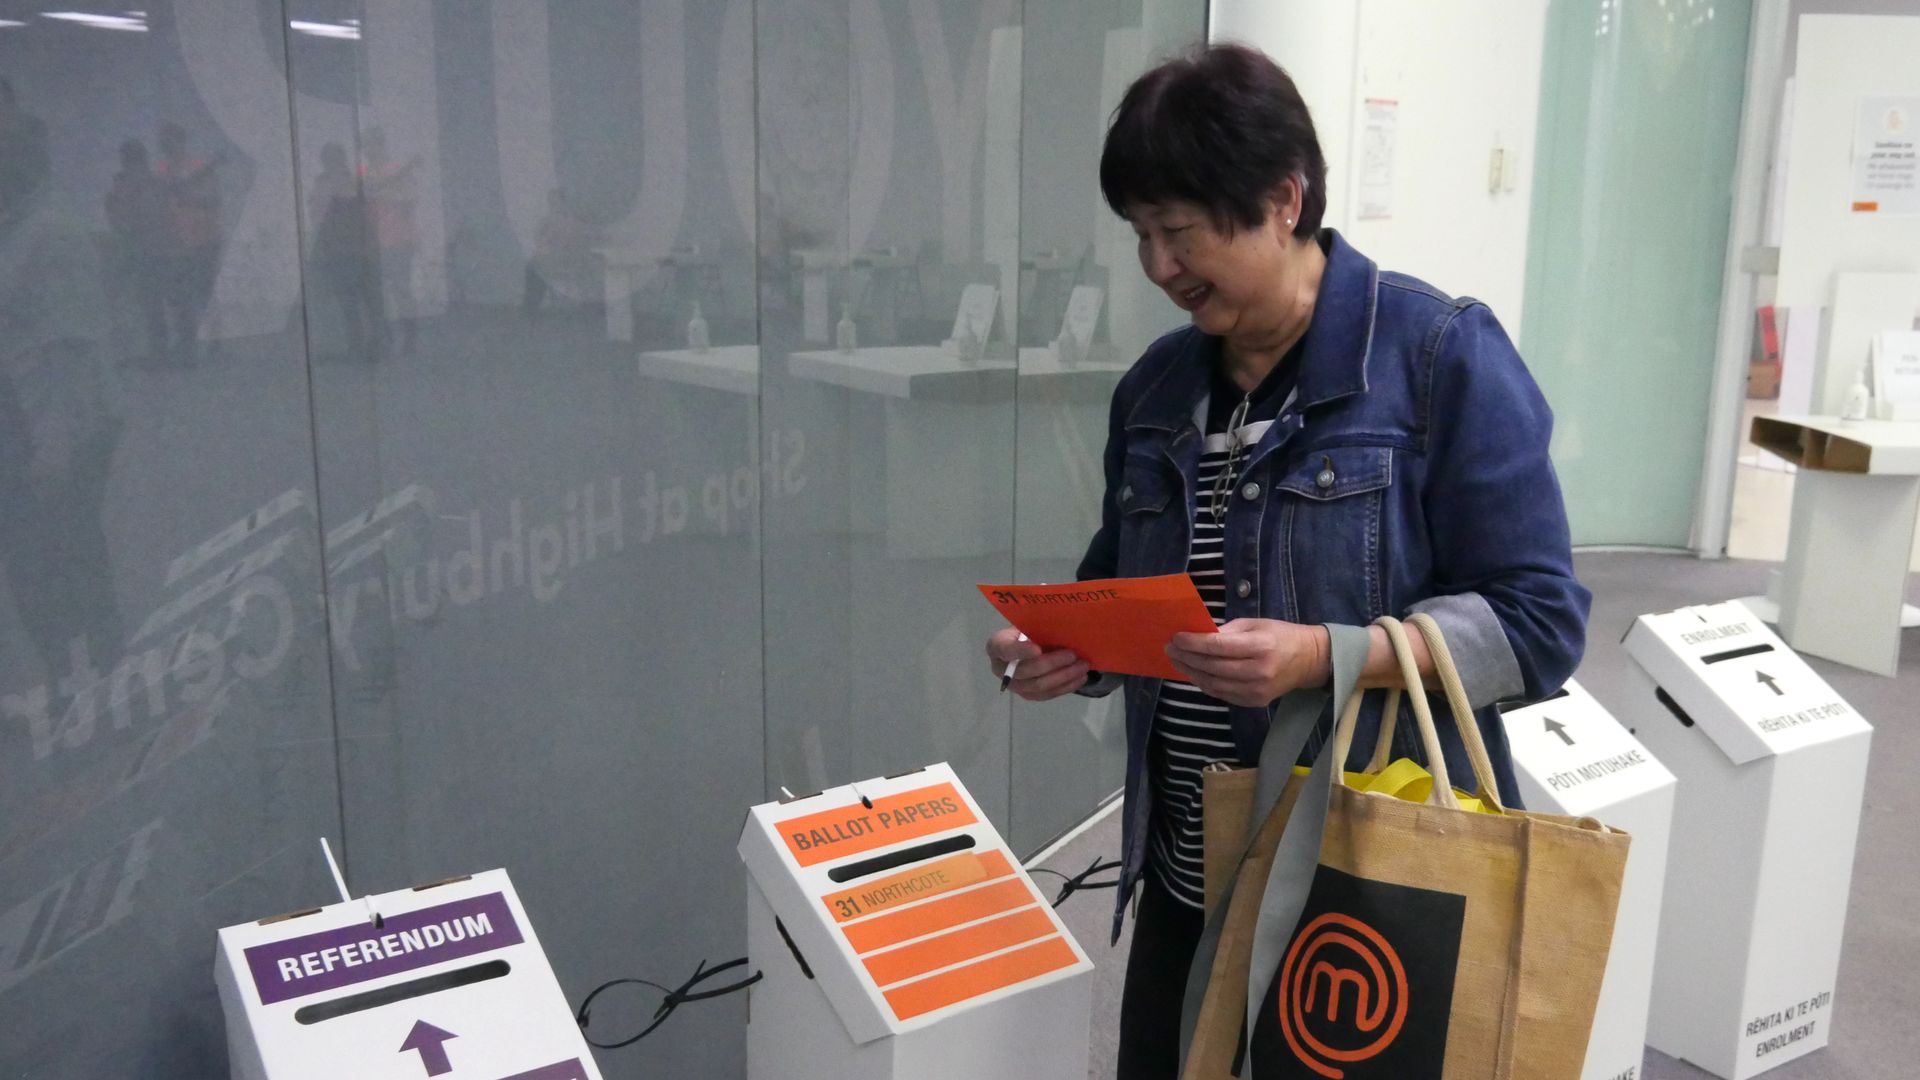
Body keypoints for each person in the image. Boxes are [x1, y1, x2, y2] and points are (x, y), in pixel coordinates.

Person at [981, 44, 1588, 1078]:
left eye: (1179, 232)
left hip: (1356, 872)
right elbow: (1119, 589)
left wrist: (1326, 654)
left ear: (1284, 200)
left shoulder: (1439, 357)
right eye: (1141, 236)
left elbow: (1541, 626)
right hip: (1186, 863)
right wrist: (1057, 646)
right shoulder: (1159, 390)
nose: (1159, 267)